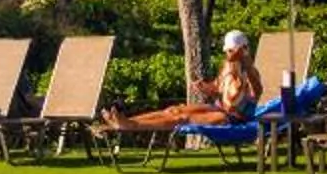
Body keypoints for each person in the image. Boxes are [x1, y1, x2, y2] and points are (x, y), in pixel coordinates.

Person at [101, 30, 262, 132]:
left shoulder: (250, 72)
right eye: (228, 51)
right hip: (217, 108)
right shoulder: (227, 68)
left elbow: (257, 91)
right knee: (174, 110)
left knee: (182, 119)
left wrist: (245, 62)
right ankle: (127, 121)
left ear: (243, 50)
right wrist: (205, 87)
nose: (229, 54)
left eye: (232, 51)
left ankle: (130, 126)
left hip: (233, 119)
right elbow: (217, 89)